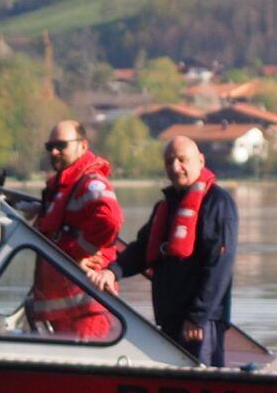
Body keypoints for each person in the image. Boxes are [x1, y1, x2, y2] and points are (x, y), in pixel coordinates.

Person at [96, 133, 236, 365]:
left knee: (199, 384)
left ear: (200, 161)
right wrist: (112, 271)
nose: (175, 166)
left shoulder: (217, 203)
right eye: (169, 161)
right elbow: (142, 249)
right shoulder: (167, 205)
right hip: (170, 318)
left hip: (200, 324)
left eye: (182, 160)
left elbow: (219, 265)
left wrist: (198, 317)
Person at [28, 119, 121, 340]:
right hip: (64, 309)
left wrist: (80, 252)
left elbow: (111, 219)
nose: (55, 151)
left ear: (83, 146)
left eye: (62, 145)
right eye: (50, 147)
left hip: (85, 310)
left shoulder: (90, 183)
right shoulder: (63, 187)